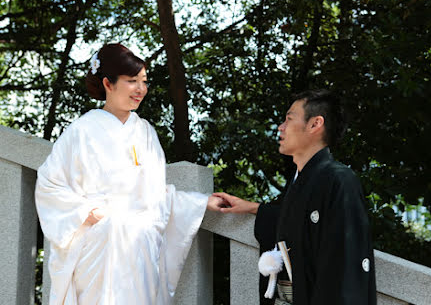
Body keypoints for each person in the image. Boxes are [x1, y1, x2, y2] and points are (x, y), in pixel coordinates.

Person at [35, 43, 223, 305]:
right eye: (132, 81)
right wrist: (84, 212)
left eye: (144, 81)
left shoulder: (145, 133)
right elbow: (49, 185)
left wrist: (200, 203)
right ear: (108, 84)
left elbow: (155, 197)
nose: (141, 89)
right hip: (100, 247)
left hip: (138, 251)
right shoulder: (81, 131)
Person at [213, 90, 377, 304]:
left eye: (289, 119)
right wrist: (253, 208)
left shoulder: (340, 180)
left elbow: (345, 264)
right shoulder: (302, 180)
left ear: (315, 124)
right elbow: (298, 221)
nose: (281, 127)